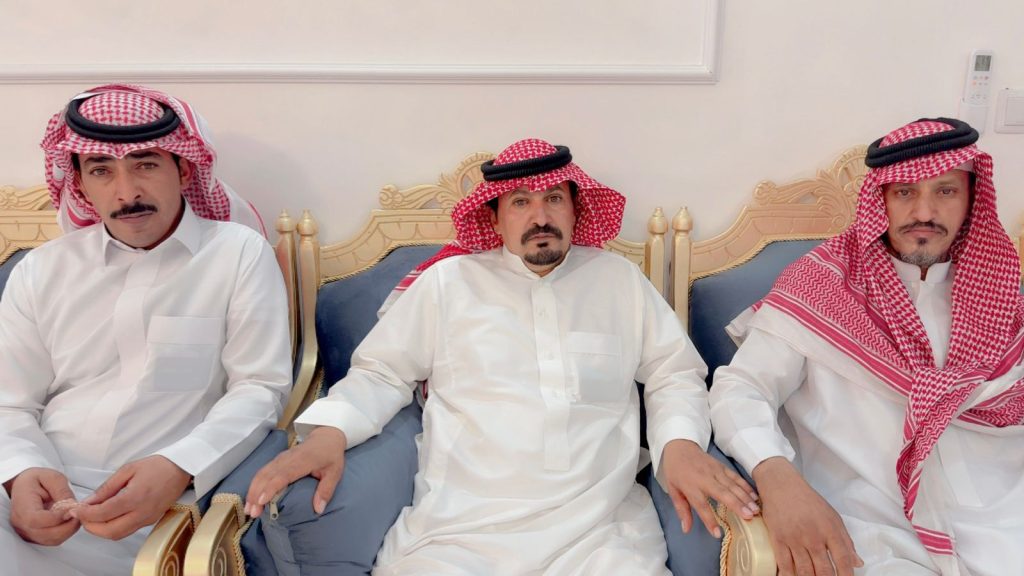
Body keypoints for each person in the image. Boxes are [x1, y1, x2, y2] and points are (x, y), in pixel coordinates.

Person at [246, 139, 759, 575]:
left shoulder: (618, 281)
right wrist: (330, 434)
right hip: (459, 530)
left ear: (576, 209)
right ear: (494, 217)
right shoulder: (448, 284)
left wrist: (680, 445)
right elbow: (382, 373)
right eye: (520, 202)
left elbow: (673, 373)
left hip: (601, 531)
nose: (540, 217)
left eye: (554, 199)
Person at [710, 118, 1024, 576]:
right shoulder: (823, 285)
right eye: (905, 192)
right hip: (875, 530)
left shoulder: (1000, 291)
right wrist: (774, 473)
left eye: (946, 191)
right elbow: (741, 389)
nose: (924, 211)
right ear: (880, 200)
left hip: (1005, 512)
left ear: (971, 199)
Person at [0, 84, 292, 575]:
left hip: (160, 509)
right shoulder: (41, 269)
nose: (127, 192)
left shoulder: (237, 254)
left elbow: (260, 388)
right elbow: (9, 402)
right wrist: (20, 471)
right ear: (79, 183)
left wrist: (179, 465)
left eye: (146, 165)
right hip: (38, 498)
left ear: (184, 169)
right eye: (101, 170)